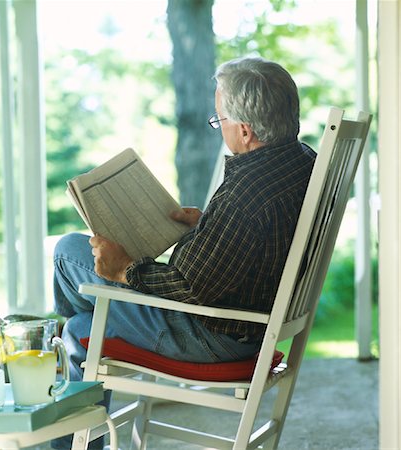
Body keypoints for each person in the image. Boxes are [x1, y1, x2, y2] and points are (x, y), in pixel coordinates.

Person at [52, 56, 316, 448]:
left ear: (245, 130)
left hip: (211, 331)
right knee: (81, 329)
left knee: (69, 252)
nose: (218, 127)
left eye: (219, 120)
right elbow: (261, 237)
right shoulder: (300, 161)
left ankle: (53, 352)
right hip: (252, 325)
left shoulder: (246, 194)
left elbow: (189, 287)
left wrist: (123, 270)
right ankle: (73, 338)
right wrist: (208, 224)